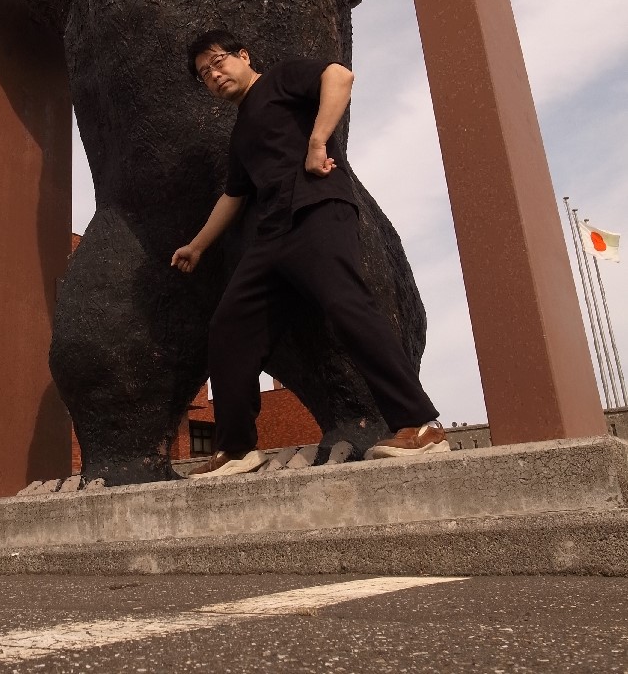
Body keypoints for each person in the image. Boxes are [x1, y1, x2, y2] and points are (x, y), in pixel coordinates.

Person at [171, 30, 449, 478]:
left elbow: (339, 76)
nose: (214, 75)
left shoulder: (280, 79)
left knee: (346, 306)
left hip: (316, 209)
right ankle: (237, 449)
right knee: (229, 327)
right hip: (271, 234)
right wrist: (198, 245)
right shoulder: (240, 133)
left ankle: (420, 425)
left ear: (244, 56)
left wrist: (318, 141)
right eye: (205, 74)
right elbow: (234, 195)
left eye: (218, 62)